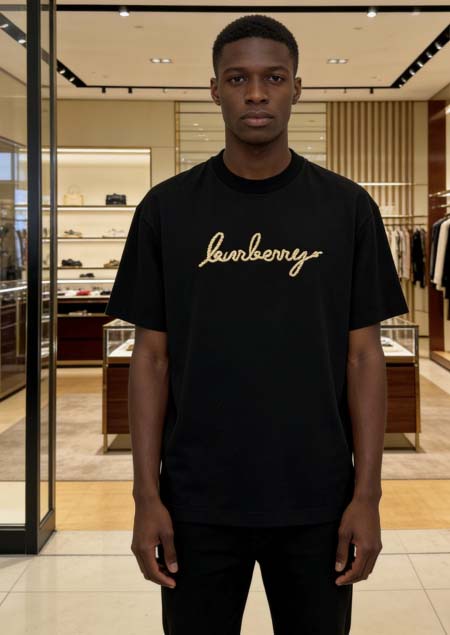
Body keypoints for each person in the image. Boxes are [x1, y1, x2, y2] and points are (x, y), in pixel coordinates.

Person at [105, 14, 409, 635]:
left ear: (297, 87)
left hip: (319, 499)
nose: (256, 93)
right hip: (195, 501)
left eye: (273, 77)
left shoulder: (348, 208)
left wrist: (367, 496)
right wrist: (145, 498)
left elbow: (363, 357)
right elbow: (150, 358)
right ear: (214, 89)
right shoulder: (166, 209)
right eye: (237, 78)